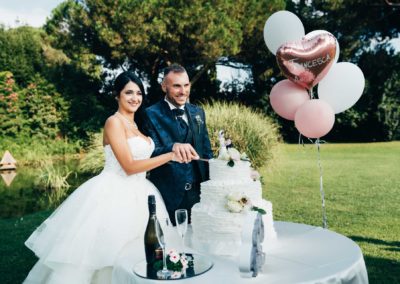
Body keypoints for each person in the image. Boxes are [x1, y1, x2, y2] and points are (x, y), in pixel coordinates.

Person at [23, 71, 179, 284]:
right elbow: (129, 166)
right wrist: (170, 156)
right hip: (113, 193)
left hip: (142, 192)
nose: (135, 98)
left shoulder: (138, 124)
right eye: (128, 93)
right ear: (117, 96)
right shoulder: (113, 122)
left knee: (143, 253)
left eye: (139, 93)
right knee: (106, 255)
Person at [142, 64, 213, 225]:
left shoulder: (198, 112)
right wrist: (172, 148)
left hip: (200, 195)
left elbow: (207, 152)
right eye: (176, 86)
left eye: (186, 85)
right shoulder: (150, 115)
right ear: (164, 86)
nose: (183, 91)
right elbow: (149, 154)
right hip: (169, 194)